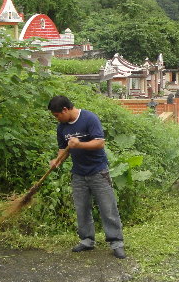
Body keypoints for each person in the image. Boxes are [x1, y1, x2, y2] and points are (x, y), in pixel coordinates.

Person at [48, 95, 126, 259]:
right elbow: (63, 149)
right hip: (78, 174)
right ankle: (87, 240)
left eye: (57, 115)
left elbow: (99, 142)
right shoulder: (61, 127)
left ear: (65, 110)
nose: (57, 119)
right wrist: (57, 161)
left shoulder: (89, 118)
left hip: (98, 171)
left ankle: (116, 243)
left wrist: (79, 144)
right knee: (82, 209)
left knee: (108, 208)